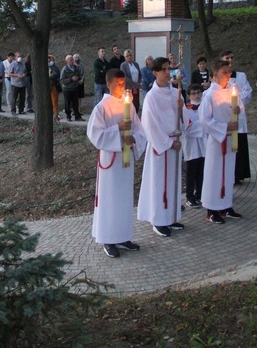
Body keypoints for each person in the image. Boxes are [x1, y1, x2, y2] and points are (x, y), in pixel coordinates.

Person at [86, 69, 147, 258]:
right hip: (110, 163)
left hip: (125, 161)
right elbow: (95, 134)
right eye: (119, 84)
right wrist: (117, 131)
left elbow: (140, 130)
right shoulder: (102, 107)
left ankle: (123, 236)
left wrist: (133, 139)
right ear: (109, 83)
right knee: (109, 199)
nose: (122, 87)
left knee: (124, 198)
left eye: (124, 84)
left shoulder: (129, 106)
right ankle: (108, 239)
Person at [137, 57, 184, 237]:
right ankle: (158, 220)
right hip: (162, 145)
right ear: (155, 73)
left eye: (168, 69)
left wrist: (181, 108)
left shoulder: (175, 93)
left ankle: (171, 217)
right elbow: (150, 124)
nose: (167, 72)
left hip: (175, 142)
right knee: (159, 183)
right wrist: (169, 142)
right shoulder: (151, 97)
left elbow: (183, 119)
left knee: (173, 181)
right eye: (163, 70)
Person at [200, 60, 243, 224]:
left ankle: (225, 205)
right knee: (214, 173)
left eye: (229, 72)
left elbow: (240, 109)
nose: (228, 75)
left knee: (228, 173)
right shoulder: (209, 95)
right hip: (217, 141)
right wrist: (225, 127)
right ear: (216, 73)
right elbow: (205, 120)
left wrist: (238, 110)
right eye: (224, 72)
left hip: (231, 138)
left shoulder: (232, 90)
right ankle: (211, 209)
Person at [220, 50, 253, 185]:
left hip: (238, 114)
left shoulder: (241, 76)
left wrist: (236, 101)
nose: (230, 60)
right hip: (225, 115)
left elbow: (248, 92)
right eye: (227, 58)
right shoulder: (220, 76)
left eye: (232, 58)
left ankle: (239, 174)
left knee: (239, 145)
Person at [182, 84, 206, 208]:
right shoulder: (186, 110)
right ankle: (189, 196)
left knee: (201, 170)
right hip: (191, 144)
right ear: (189, 95)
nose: (196, 95)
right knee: (191, 171)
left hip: (203, 143)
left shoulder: (205, 107)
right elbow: (187, 127)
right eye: (194, 93)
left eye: (198, 93)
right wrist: (203, 124)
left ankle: (200, 194)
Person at [60, 54, 84, 121]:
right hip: (67, 89)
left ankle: (77, 116)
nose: (72, 61)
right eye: (70, 60)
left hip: (75, 88)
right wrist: (71, 79)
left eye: (72, 60)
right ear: (66, 61)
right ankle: (68, 116)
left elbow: (79, 75)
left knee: (75, 103)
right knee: (67, 103)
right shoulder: (64, 69)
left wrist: (78, 78)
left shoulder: (76, 68)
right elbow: (62, 80)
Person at [48, 54, 61, 120]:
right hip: (47, 86)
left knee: (54, 100)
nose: (49, 60)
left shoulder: (55, 67)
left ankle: (56, 114)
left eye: (50, 59)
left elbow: (57, 75)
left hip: (53, 85)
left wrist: (51, 75)